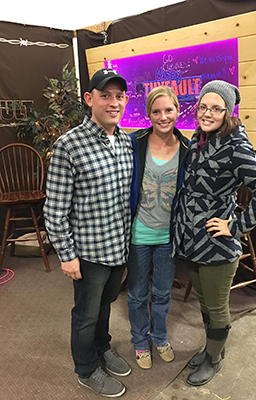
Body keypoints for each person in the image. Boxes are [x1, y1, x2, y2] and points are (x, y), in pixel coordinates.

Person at [171, 80, 256, 386]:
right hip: (192, 239)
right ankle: (210, 348)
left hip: (217, 244)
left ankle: (214, 359)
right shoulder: (199, 139)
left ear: (227, 112)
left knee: (217, 307)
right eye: (203, 106)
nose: (207, 113)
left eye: (216, 108)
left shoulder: (236, 146)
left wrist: (235, 226)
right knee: (204, 303)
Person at [43, 68, 133, 398]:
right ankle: (86, 368)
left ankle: (102, 347)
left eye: (119, 96)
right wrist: (66, 255)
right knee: (85, 314)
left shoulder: (126, 141)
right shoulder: (69, 146)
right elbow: (54, 209)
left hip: (118, 248)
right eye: (105, 95)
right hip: (88, 252)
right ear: (89, 99)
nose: (113, 102)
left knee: (106, 306)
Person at [128, 86, 189, 369]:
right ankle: (140, 342)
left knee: (163, 293)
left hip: (168, 235)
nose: (163, 117)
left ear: (177, 110)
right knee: (138, 293)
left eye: (168, 110)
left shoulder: (188, 149)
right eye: (156, 111)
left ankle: (160, 337)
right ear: (148, 114)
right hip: (139, 232)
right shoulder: (135, 142)